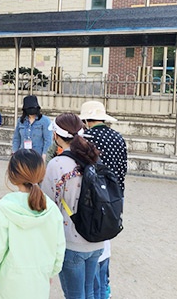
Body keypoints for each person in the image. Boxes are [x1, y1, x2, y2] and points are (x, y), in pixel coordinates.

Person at [0, 149, 65, 299]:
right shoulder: (52, 211)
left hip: (7, 286)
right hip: (38, 284)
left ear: (12, 176)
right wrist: (51, 272)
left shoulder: (2, 211)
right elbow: (59, 248)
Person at [41, 113, 104, 299]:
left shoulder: (57, 164)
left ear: (57, 136)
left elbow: (46, 204)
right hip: (96, 237)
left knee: (74, 295)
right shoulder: (94, 158)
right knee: (89, 292)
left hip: (70, 239)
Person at [79, 101, 127, 299]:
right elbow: (123, 169)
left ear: (86, 120)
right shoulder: (118, 137)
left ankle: (94, 290)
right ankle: (105, 287)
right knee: (106, 242)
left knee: (92, 245)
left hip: (92, 199)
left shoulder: (86, 138)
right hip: (114, 198)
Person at [11, 95, 52, 160]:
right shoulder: (20, 121)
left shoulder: (45, 121)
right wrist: (14, 153)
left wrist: (44, 155)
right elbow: (16, 139)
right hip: (23, 156)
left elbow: (48, 140)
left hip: (38, 156)